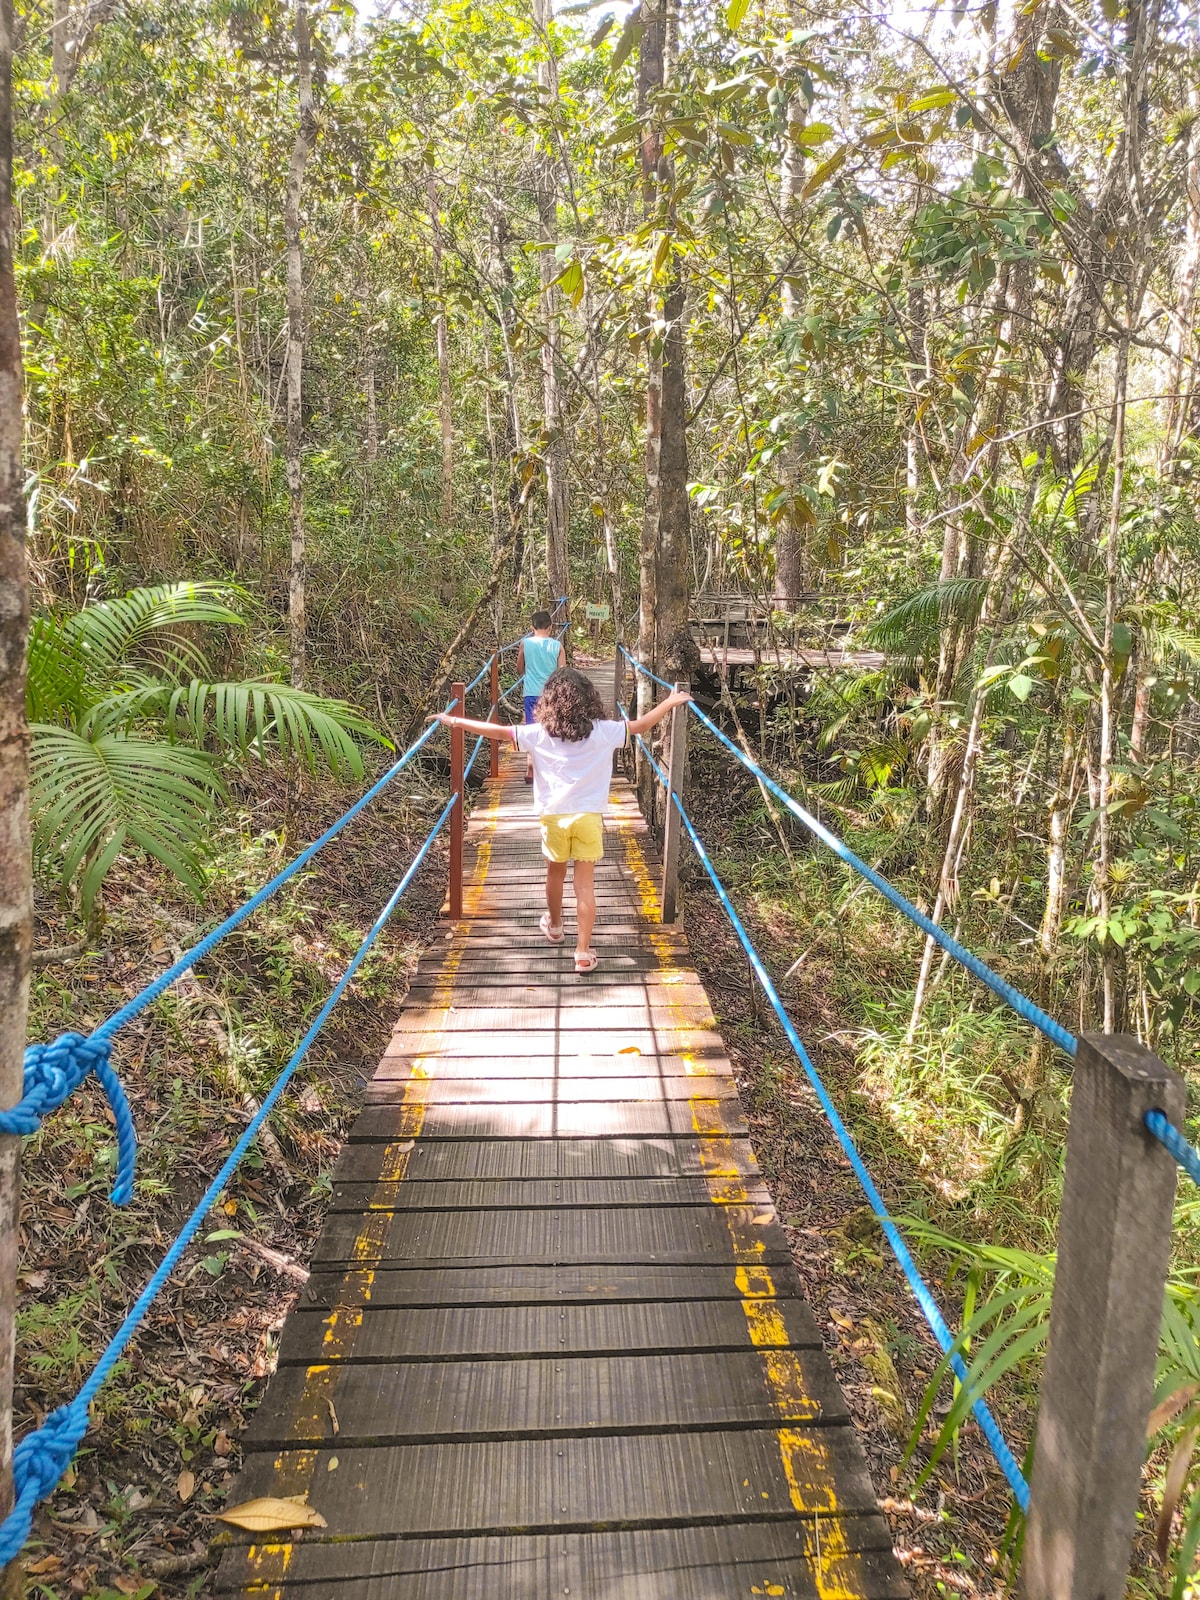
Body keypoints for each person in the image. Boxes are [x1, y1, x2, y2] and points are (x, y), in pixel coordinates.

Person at [433, 668, 692, 974]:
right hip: (588, 817)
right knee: (585, 885)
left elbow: (499, 732)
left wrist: (454, 721)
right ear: (589, 699)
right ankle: (582, 952)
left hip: (554, 816)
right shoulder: (604, 730)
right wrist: (671, 702)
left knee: (555, 874)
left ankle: (555, 926)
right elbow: (641, 726)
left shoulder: (538, 733)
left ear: (549, 701)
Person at [514, 610, 566, 783]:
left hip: (531, 693)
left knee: (532, 729)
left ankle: (531, 768)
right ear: (550, 628)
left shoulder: (525, 644)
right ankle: (550, 768)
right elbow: (562, 673)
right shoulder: (557, 646)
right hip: (551, 693)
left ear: (532, 627)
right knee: (551, 728)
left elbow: (519, 668)